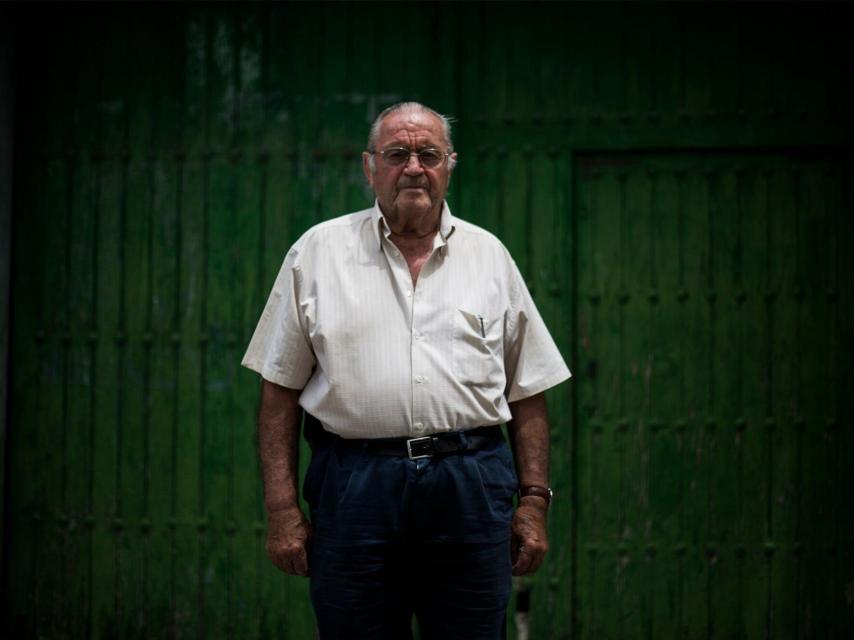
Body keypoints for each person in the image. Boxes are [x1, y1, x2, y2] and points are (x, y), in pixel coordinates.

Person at [242, 101, 571, 639]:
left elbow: (527, 390)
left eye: (428, 154)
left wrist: (534, 500)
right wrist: (281, 509)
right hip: (355, 487)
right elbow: (278, 389)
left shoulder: (489, 256)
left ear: (449, 165)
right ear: (370, 167)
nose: (414, 166)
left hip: (470, 484)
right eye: (397, 154)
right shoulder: (318, 252)